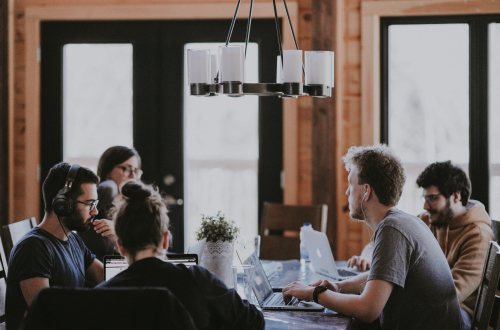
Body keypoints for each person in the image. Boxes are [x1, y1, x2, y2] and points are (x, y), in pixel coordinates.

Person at [282, 145, 465, 329]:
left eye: (350, 185)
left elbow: (368, 310)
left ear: (366, 191)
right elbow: (381, 275)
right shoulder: (404, 221)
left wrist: (313, 293)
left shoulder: (392, 229)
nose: (347, 192)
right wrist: (339, 287)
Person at [97, 181, 264, 330]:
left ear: (120, 246)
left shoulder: (101, 296)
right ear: (165, 240)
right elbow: (254, 322)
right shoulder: (197, 280)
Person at [346, 161, 494, 324]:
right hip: (424, 304)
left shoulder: (478, 234)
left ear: (456, 196)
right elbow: (384, 243)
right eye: (424, 198)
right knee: (358, 311)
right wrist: (370, 259)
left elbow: (451, 293)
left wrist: (384, 285)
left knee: (366, 311)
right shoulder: (427, 219)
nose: (425, 206)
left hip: (457, 315)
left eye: (432, 198)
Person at [6, 163, 104, 330]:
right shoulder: (33, 248)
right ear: (63, 203)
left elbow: (104, 276)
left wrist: (121, 239)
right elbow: (46, 316)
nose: (95, 212)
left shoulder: (72, 239)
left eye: (95, 203)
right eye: (89, 204)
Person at [79, 145, 142, 261]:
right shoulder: (104, 194)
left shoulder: (137, 204)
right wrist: (111, 187)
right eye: (126, 169)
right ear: (108, 171)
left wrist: (117, 232)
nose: (133, 175)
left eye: (136, 171)